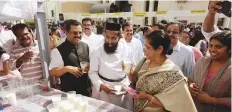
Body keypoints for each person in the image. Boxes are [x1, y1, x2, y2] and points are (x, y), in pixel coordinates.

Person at [130, 30, 197, 112]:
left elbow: (176, 104)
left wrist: (147, 97)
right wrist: (130, 74)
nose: (144, 50)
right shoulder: (145, 61)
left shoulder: (174, 73)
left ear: (159, 49)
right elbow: (136, 80)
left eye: (148, 47)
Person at [89, 22, 133, 110]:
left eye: (113, 38)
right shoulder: (97, 51)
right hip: (103, 88)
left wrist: (128, 72)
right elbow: (92, 72)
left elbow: (131, 68)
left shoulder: (126, 49)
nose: (109, 41)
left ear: (119, 37)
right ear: (104, 35)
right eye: (107, 37)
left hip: (122, 87)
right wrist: (101, 85)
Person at [189, 31, 231, 112]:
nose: (212, 49)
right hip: (194, 108)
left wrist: (211, 100)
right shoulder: (202, 61)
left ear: (230, 49)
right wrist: (190, 85)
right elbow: (191, 79)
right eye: (210, 45)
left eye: (218, 47)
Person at [49, 20, 90, 96]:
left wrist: (89, 67)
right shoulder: (57, 50)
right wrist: (67, 68)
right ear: (67, 33)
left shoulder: (85, 46)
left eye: (80, 32)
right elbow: (52, 72)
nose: (78, 35)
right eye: (74, 33)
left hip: (86, 90)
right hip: (70, 92)